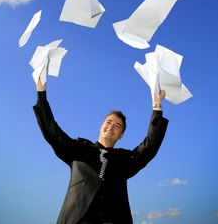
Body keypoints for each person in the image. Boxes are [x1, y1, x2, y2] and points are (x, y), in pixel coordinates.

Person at [33, 78, 168, 224]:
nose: (111, 127)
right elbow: (51, 130)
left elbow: (150, 146)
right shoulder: (79, 149)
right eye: (108, 122)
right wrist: (41, 92)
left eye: (117, 126)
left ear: (121, 135)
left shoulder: (125, 159)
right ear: (101, 126)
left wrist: (157, 106)